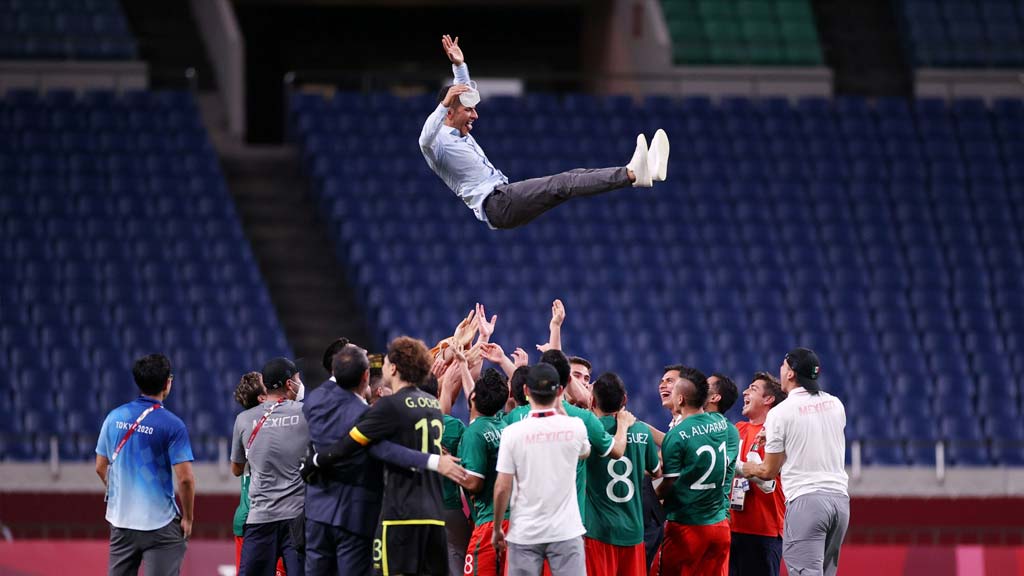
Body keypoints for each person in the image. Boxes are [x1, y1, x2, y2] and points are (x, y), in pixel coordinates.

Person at [419, 35, 670, 230]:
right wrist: (444, 103)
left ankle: (640, 173)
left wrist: (460, 66)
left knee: (570, 179)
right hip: (498, 204)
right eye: (468, 111)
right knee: (565, 182)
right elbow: (424, 139)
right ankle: (632, 173)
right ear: (449, 113)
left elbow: (463, 95)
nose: (475, 115)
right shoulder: (437, 143)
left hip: (504, 200)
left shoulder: (458, 127)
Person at [304, 343, 461, 576]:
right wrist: (434, 461)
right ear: (366, 376)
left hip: (320, 509)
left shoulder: (313, 400)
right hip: (363, 513)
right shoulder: (373, 412)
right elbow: (383, 450)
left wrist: (315, 461)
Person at [742, 348, 849, 576]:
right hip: (840, 503)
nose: (780, 370)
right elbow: (813, 432)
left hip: (806, 501)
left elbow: (769, 471)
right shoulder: (836, 404)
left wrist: (744, 467)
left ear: (790, 373)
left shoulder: (780, 413)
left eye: (783, 366)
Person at [95, 353, 194, 576]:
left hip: (121, 523)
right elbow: (185, 479)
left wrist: (120, 493)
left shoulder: (114, 417)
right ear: (168, 382)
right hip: (160, 525)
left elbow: (100, 466)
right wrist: (188, 518)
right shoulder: (173, 425)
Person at [492, 364, 590, 575]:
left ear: (526, 391)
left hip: (524, 533)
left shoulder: (512, 433)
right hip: (566, 531)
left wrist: (497, 528)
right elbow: (584, 452)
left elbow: (502, 487)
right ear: (560, 391)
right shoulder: (576, 427)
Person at [651, 366, 739, 576]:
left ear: (680, 399)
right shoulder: (723, 426)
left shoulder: (678, 434)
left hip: (686, 525)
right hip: (718, 523)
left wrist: (651, 493)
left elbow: (669, 482)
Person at [232, 357, 309, 576]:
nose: (299, 382)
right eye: (297, 378)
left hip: (260, 519)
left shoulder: (243, 419)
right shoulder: (305, 414)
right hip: (297, 519)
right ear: (288, 384)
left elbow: (237, 467)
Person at [584, 372, 661, 576]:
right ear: (625, 400)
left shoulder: (589, 431)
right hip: (633, 531)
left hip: (598, 531)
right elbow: (656, 471)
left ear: (592, 401)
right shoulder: (642, 431)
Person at [730, 372, 788, 576]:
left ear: (768, 399)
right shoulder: (737, 429)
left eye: (753, 389)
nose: (745, 391)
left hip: (764, 532)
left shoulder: (779, 431)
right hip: (732, 528)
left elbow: (769, 478)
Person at [458, 369, 510, 576]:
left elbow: (474, 483)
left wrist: (449, 468)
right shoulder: (504, 425)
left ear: (473, 397)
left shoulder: (474, 434)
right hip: (515, 520)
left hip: (490, 523)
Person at [231, 372, 284, 575]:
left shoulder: (243, 425)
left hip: (245, 519)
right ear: (262, 398)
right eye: (267, 387)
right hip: (268, 519)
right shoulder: (279, 428)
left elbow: (235, 469)